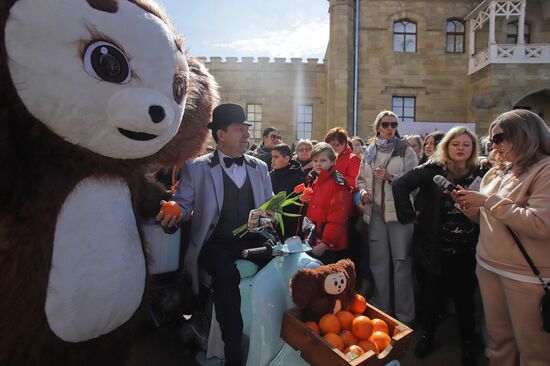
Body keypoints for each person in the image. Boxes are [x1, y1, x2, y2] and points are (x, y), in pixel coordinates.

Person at [157, 103, 273, 366]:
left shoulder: (260, 168)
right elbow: (184, 204)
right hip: (214, 242)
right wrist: (175, 211)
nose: (246, 135)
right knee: (226, 275)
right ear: (221, 134)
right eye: (239, 129)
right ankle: (232, 353)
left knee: (282, 263)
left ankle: (276, 338)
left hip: (253, 239)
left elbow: (269, 207)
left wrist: (270, 216)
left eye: (246, 129)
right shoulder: (196, 168)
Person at [454, 110, 550, 366]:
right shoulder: (497, 172)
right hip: (488, 265)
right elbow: (488, 218)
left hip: (526, 276)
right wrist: (468, 207)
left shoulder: (546, 170)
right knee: (498, 344)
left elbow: (540, 224)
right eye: (492, 139)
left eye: (499, 138)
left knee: (535, 351)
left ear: (525, 135)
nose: (493, 145)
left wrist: (487, 201)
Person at [393, 126, 487, 365]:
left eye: (466, 144)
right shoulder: (433, 168)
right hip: (434, 247)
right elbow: (400, 184)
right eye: (456, 144)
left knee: (464, 298)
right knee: (431, 297)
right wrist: (409, 215)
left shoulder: (481, 170)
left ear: (473, 148)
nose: (461, 149)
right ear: (447, 146)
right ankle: (428, 336)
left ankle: (467, 344)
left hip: (468, 248)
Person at [356, 110, 418, 324]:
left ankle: (405, 316)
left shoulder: (405, 150)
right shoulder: (369, 151)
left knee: (401, 264)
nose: (390, 128)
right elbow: (360, 180)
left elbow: (415, 181)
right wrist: (363, 192)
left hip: (399, 215)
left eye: (393, 124)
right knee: (379, 263)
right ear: (378, 127)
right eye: (385, 124)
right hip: (375, 214)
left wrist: (392, 178)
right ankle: (383, 310)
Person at [305, 142, 352, 264]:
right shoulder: (315, 181)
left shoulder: (337, 184)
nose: (318, 164)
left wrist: (325, 243)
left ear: (332, 162)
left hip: (329, 245)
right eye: (315, 161)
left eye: (323, 160)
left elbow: (338, 217)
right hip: (315, 240)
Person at [270, 143, 306, 239]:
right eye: (272, 157)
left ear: (286, 159)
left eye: (276, 157)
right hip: (271, 222)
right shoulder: (270, 175)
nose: (272, 160)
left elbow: (298, 204)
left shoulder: (297, 177)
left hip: (289, 224)